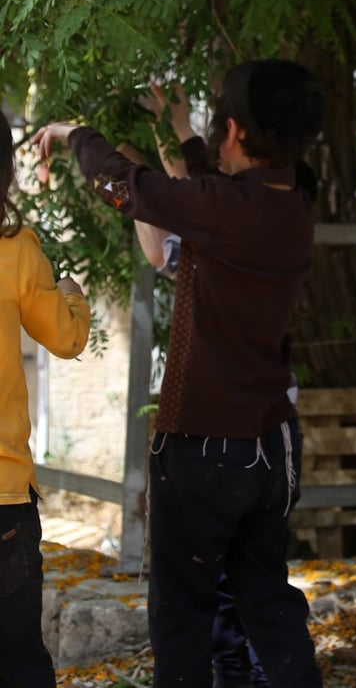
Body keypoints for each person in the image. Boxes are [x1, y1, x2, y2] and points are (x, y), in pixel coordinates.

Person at [31, 58, 326, 688]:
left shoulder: (224, 209)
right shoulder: (294, 206)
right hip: (273, 447)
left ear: (236, 133)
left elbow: (123, 186)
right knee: (269, 605)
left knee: (182, 619)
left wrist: (72, 133)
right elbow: (212, 193)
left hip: (202, 449)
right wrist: (185, 130)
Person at [0, 111, 91, 687]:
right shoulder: (16, 250)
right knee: (17, 662)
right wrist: (72, 296)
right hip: (3, 497)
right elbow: (65, 337)